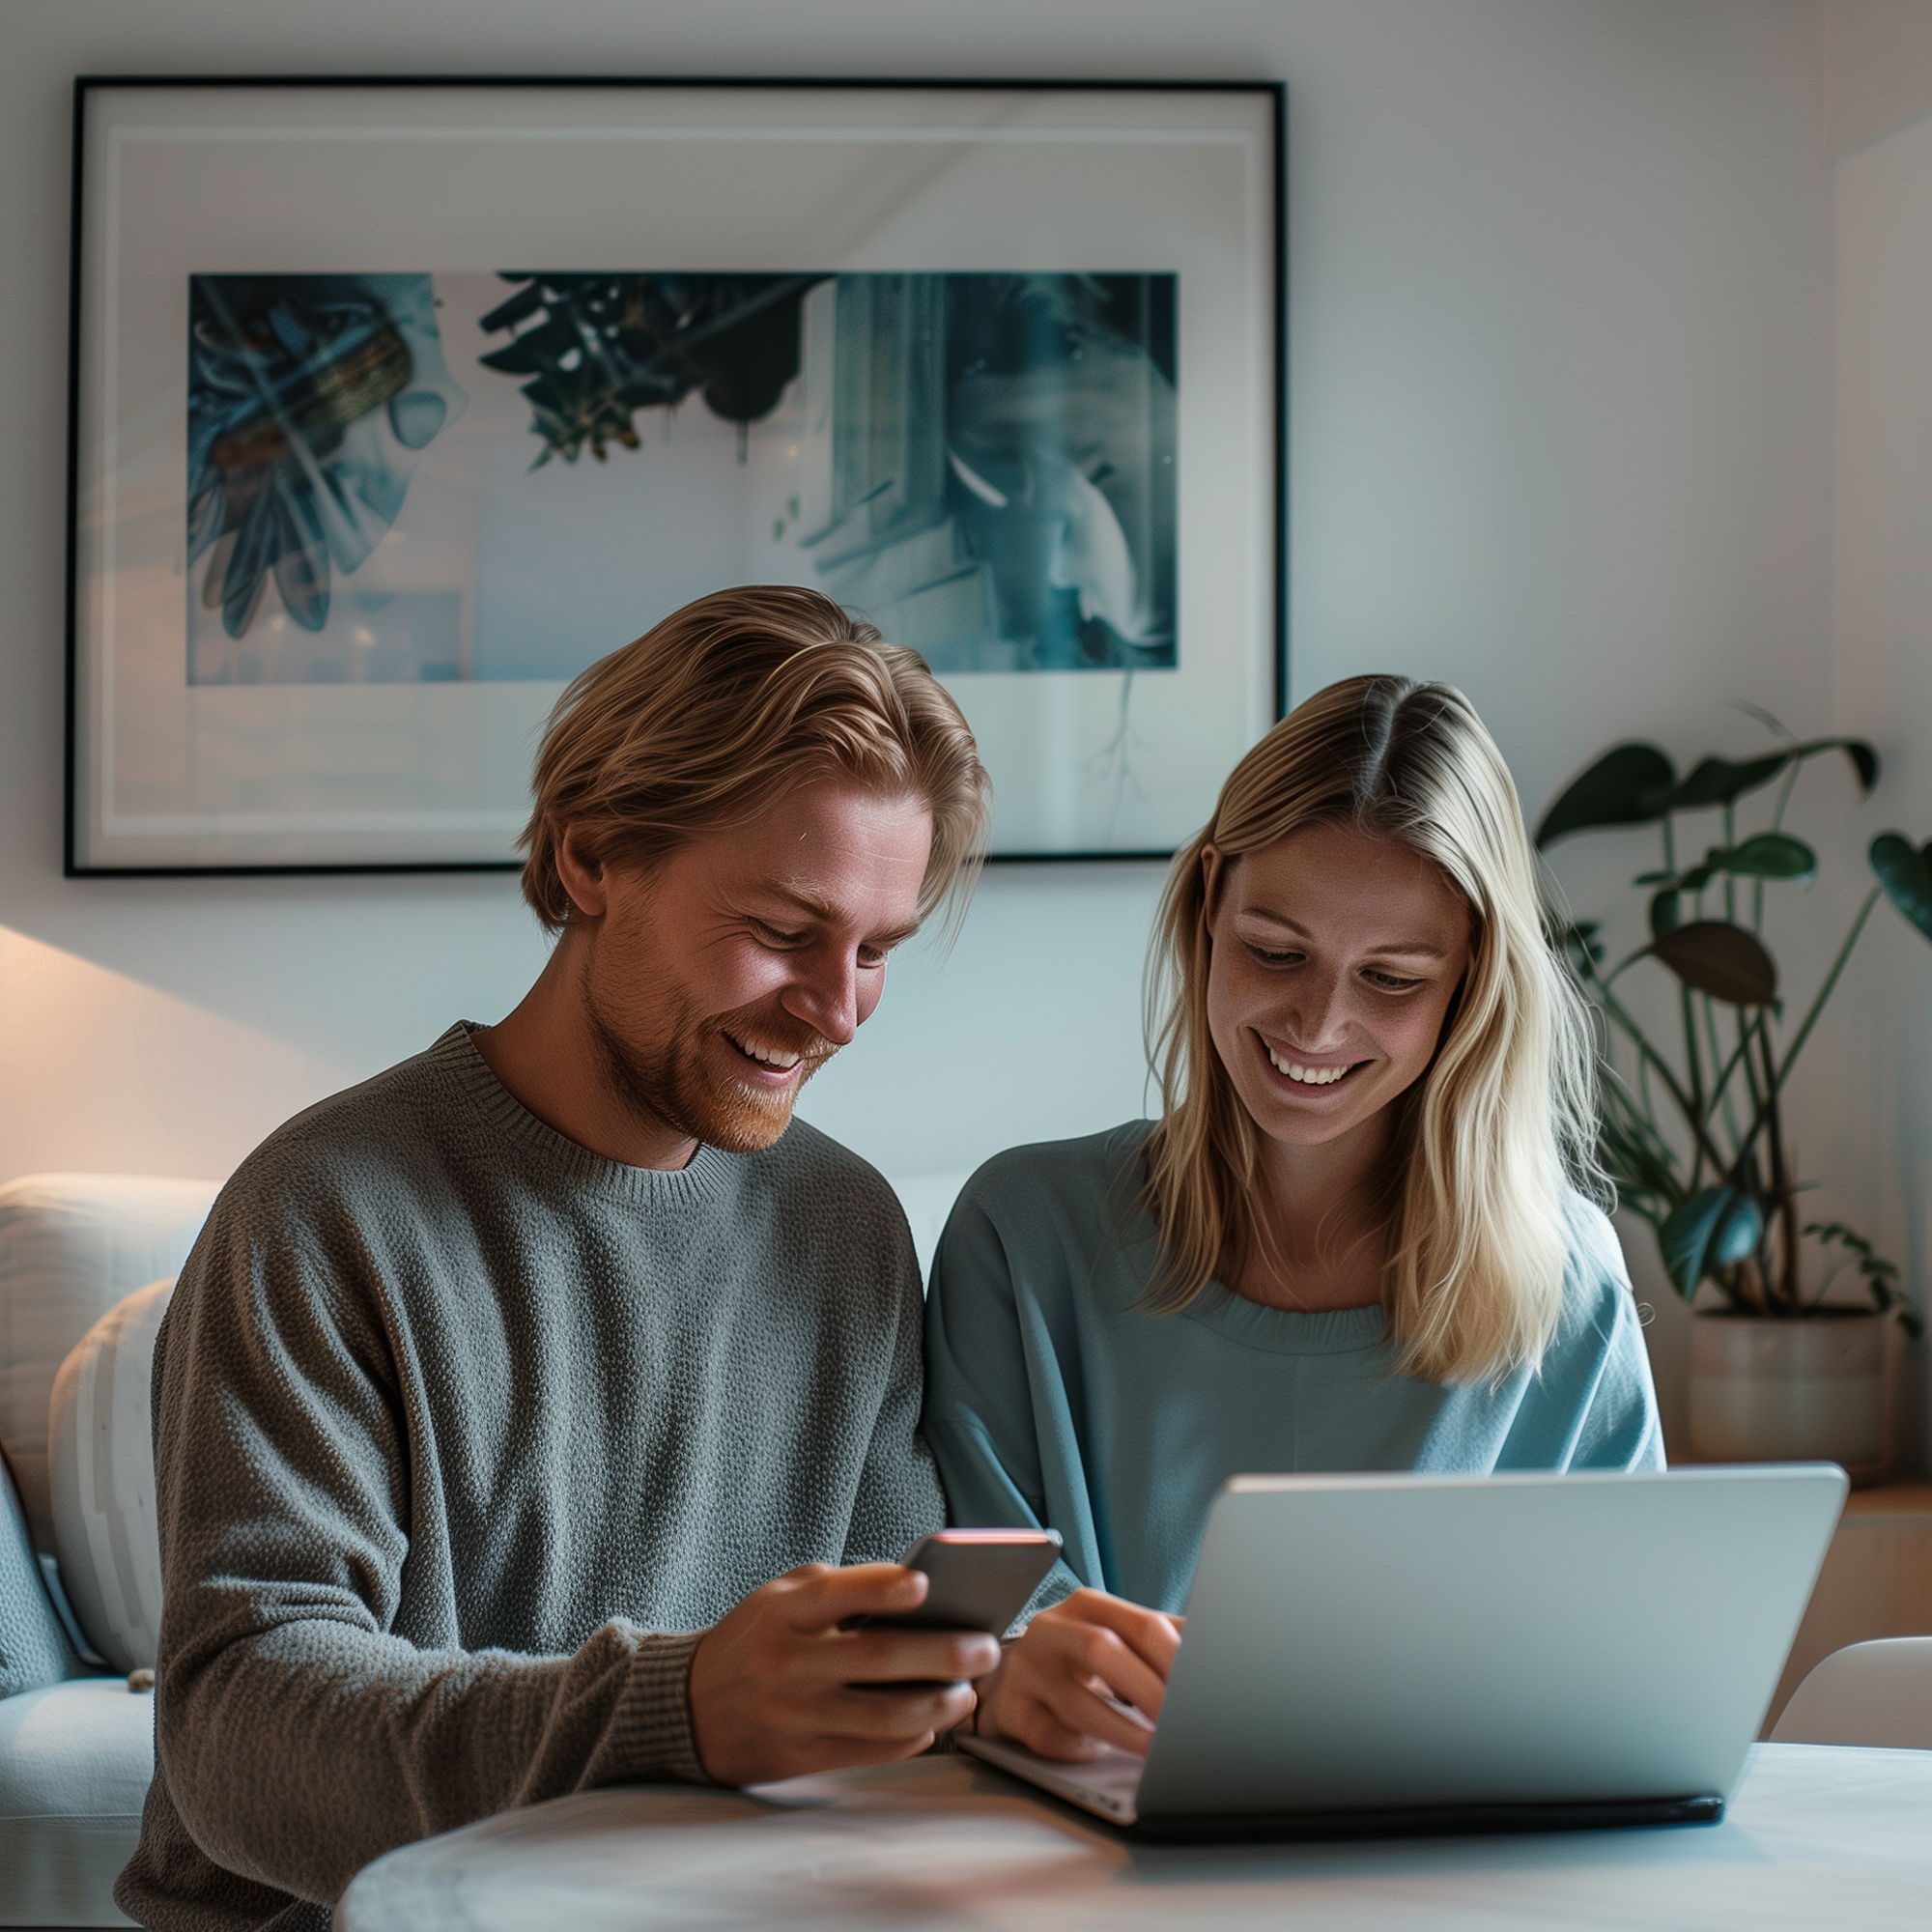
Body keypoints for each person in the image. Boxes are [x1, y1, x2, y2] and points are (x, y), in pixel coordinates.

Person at [118, 587, 998, 1932]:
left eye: (876, 951)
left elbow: (893, 1662)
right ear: (593, 860)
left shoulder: (847, 1230)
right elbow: (241, 1733)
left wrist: (1004, 1686)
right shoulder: (323, 1211)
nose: (836, 1012)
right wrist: (679, 1708)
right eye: (781, 930)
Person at [923, 675, 1664, 1764]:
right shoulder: (1023, 1235)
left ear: (1469, 985)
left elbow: (1624, 1677)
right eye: (1275, 951)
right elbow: (976, 1642)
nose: (1319, 1024)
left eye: (1393, 978)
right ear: (1208, 902)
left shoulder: (1564, 1282)